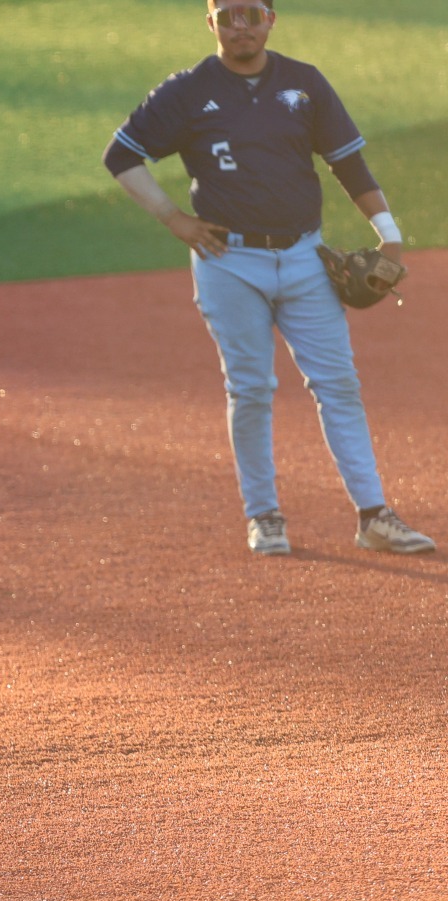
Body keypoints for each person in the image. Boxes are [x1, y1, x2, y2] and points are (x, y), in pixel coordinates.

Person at [105, 0, 432, 556]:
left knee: (339, 386)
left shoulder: (304, 84)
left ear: (270, 19)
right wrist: (173, 218)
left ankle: (373, 515)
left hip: (307, 258)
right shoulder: (185, 91)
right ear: (210, 22)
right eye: (228, 15)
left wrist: (389, 232)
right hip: (228, 263)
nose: (240, 26)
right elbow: (122, 155)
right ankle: (264, 514)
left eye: (251, 14)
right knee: (251, 390)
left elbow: (346, 161)